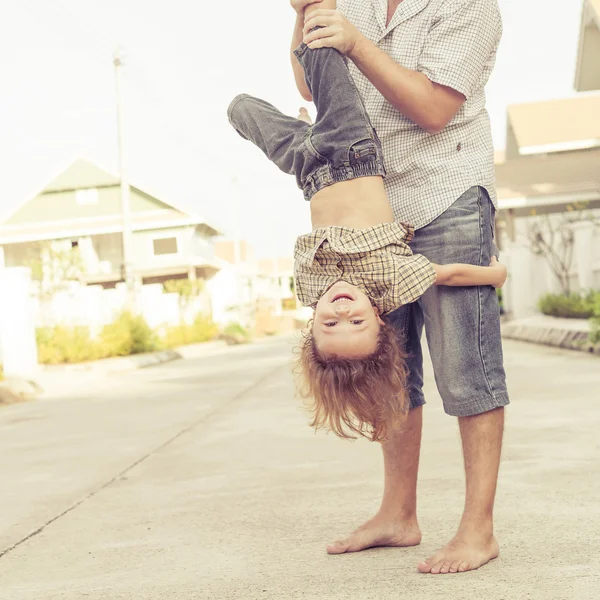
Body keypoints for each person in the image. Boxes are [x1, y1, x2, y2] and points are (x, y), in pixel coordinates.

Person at [288, 0, 508, 575]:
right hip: (373, 203)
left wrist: (356, 41)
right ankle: (397, 514)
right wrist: (306, 11)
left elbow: (435, 109)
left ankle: (477, 530)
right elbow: (312, 87)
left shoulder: (470, 5)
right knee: (391, 367)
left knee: (466, 366)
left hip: (448, 191)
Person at [227, 0, 506, 443]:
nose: (341, 312)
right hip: (356, 149)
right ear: (379, 318)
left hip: (323, 169)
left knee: (240, 109)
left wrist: (309, 132)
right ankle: (399, 511)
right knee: (318, 46)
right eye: (354, 323)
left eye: (329, 323)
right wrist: (495, 272)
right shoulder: (389, 281)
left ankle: (475, 516)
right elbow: (446, 273)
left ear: (311, 326)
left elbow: (435, 109)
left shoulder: (307, 288)